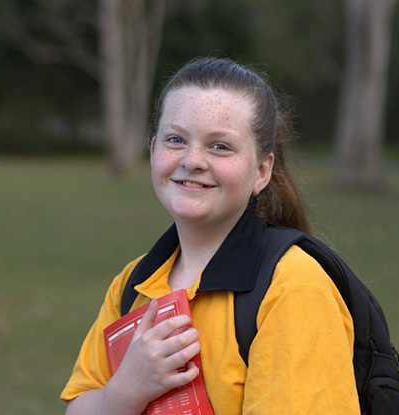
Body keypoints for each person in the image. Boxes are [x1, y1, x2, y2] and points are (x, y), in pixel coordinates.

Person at [61, 57, 359, 415]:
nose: (192, 160)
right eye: (176, 139)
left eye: (219, 146)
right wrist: (125, 391)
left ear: (262, 170)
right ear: (154, 151)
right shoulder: (132, 284)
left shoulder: (293, 287)